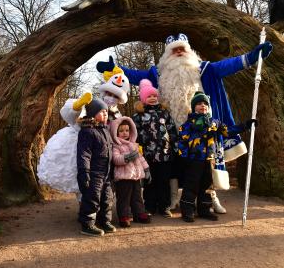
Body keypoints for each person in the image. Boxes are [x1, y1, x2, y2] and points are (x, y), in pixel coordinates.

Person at [97, 33, 273, 213]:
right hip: (171, 131)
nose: (179, 52)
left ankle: (211, 198)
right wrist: (115, 69)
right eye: (175, 50)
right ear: (167, 55)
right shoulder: (157, 74)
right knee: (173, 166)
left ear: (189, 51)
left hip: (202, 129)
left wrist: (252, 56)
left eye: (183, 49)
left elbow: (229, 65)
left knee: (207, 165)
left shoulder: (204, 69)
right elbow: (135, 76)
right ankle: (173, 199)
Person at [178, 91, 256, 222]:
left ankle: (204, 209)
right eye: (199, 104)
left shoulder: (214, 122)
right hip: (194, 159)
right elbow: (182, 141)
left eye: (205, 104)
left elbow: (228, 131)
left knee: (207, 185)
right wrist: (184, 157)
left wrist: (245, 126)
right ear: (193, 107)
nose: (202, 106)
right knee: (191, 185)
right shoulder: (188, 124)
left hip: (210, 159)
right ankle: (187, 210)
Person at [132, 79, 178, 217]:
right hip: (147, 155)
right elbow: (134, 135)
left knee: (164, 181)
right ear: (143, 99)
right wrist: (137, 149)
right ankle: (149, 206)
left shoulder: (165, 113)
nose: (152, 98)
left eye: (154, 96)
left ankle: (164, 206)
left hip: (165, 154)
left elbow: (172, 131)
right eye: (149, 96)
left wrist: (175, 147)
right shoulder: (138, 116)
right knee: (149, 181)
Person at [37, 91, 92, 198]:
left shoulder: (91, 131)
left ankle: (85, 204)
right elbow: (68, 115)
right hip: (73, 143)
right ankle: (83, 203)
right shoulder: (65, 136)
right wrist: (78, 106)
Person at [77, 98, 116, 236]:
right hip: (94, 172)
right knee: (92, 197)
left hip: (106, 171)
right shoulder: (87, 132)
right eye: (102, 111)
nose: (105, 114)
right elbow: (84, 154)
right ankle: (87, 224)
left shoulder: (105, 130)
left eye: (106, 111)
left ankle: (104, 221)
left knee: (107, 198)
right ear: (93, 114)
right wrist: (84, 171)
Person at [110, 116, 152, 228]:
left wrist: (146, 169)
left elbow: (141, 158)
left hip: (136, 176)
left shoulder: (134, 144)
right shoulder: (116, 146)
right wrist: (127, 157)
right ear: (116, 132)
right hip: (123, 177)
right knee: (124, 198)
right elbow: (116, 159)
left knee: (137, 196)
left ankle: (139, 214)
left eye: (127, 130)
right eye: (121, 131)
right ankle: (123, 216)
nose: (125, 133)